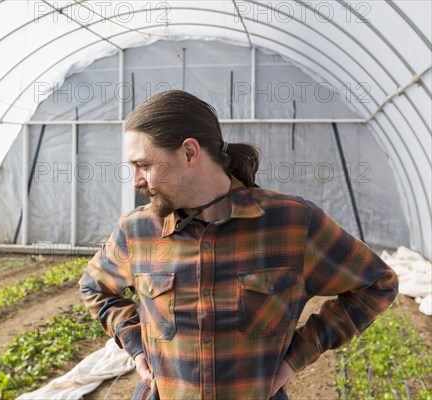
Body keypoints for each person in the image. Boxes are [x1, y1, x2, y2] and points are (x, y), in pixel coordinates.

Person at [78, 90, 398, 399]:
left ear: (190, 152)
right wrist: (135, 345)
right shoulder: (138, 230)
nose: (136, 180)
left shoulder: (292, 223)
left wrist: (296, 357)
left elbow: (376, 283)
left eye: (144, 165)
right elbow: (95, 288)